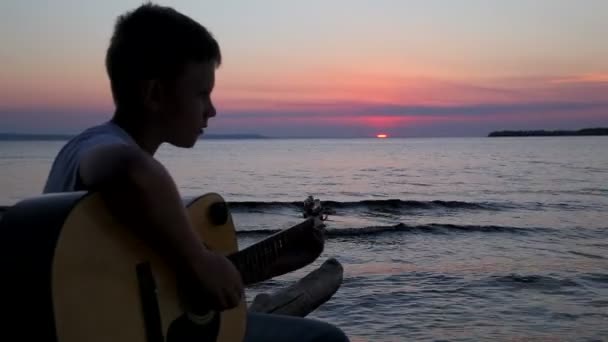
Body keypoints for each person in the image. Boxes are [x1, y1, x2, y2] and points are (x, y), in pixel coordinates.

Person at [43, 3, 349, 342]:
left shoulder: (82, 149)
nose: (212, 109)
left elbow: (142, 283)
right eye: (202, 93)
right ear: (155, 94)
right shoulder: (103, 146)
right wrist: (197, 259)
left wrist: (260, 265)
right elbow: (130, 171)